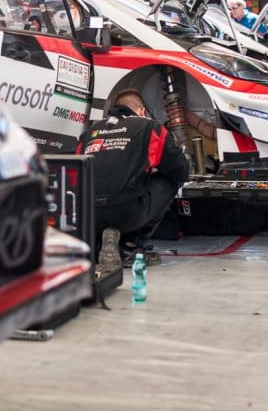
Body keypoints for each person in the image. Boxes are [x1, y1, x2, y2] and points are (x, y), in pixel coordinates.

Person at [76, 89, 190, 278]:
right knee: (169, 180)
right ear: (142, 110)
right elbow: (180, 170)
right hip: (127, 214)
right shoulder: (149, 128)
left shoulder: (89, 133)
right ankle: (130, 245)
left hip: (89, 215)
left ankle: (100, 244)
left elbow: (77, 171)